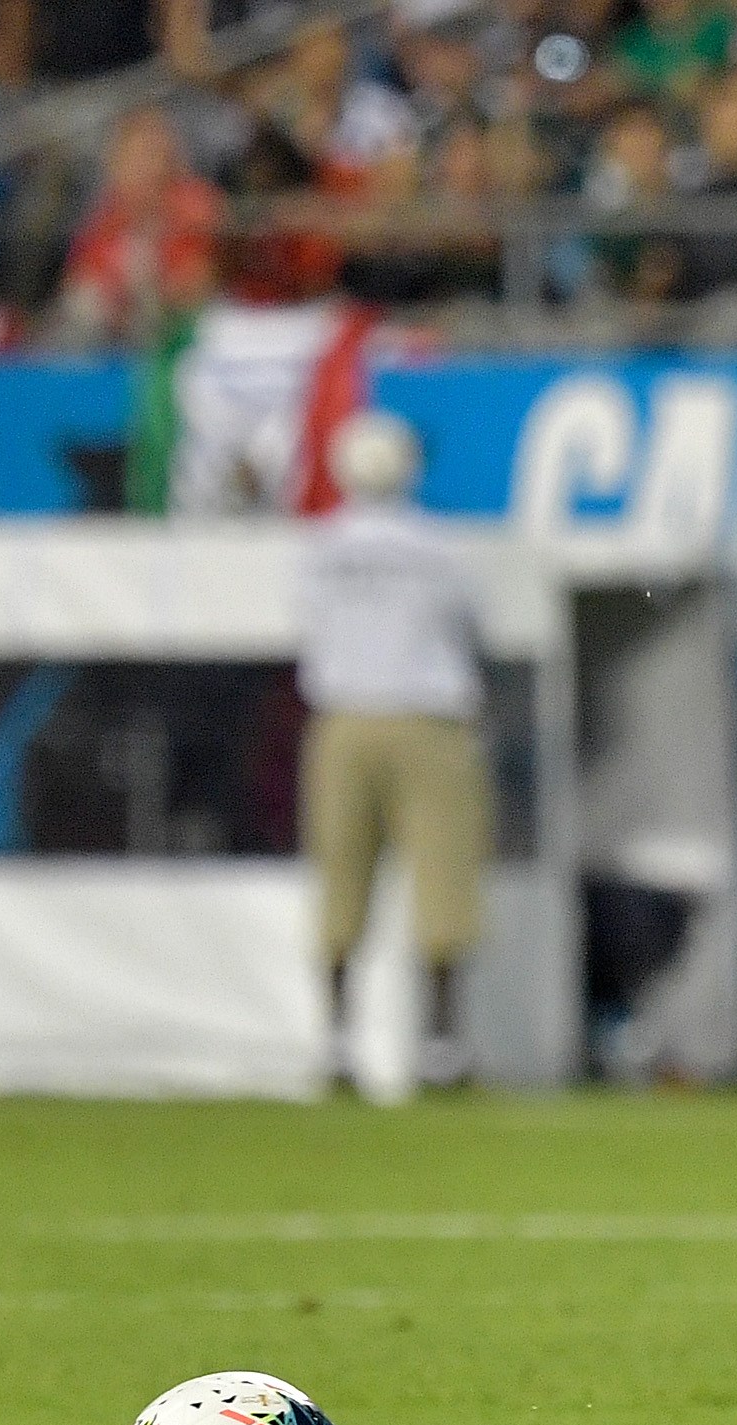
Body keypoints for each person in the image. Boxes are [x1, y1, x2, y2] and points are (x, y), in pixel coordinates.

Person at [298, 409, 492, 1094]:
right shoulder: (437, 546)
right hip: (428, 720)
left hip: (345, 719)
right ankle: (442, 1046)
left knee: (340, 881)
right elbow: (473, 631)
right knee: (445, 884)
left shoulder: (320, 546)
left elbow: (304, 630)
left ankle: (337, 1044)